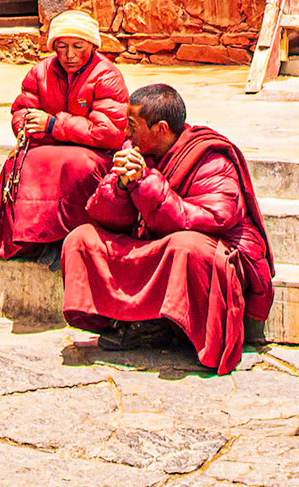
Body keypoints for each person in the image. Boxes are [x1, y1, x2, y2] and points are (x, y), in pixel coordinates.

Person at [59, 83, 274, 375]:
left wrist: (145, 182)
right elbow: (105, 215)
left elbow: (215, 218)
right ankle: (131, 323)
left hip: (206, 249)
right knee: (81, 239)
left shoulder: (210, 159)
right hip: (155, 241)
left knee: (186, 247)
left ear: (160, 129)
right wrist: (122, 185)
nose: (125, 132)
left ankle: (177, 327)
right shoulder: (133, 150)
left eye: (132, 125)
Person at [0, 9, 130, 261]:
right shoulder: (40, 73)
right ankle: (30, 240)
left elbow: (109, 132)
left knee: (78, 166)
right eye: (62, 46)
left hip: (93, 153)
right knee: (20, 162)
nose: (69, 55)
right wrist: (31, 125)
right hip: (47, 145)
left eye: (78, 46)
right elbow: (21, 113)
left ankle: (71, 238)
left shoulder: (107, 76)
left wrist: (52, 125)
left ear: (92, 46)